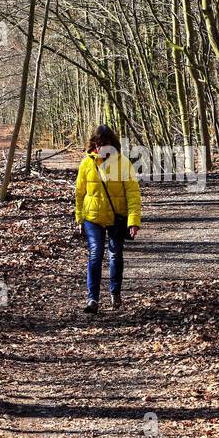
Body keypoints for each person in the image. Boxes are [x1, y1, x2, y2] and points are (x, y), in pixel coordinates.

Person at [74, 125, 141, 312]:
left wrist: (133, 221)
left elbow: (133, 193)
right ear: (94, 144)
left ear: (113, 144)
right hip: (92, 217)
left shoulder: (123, 163)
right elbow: (79, 193)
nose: (102, 147)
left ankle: (115, 293)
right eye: (99, 143)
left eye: (106, 143)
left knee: (115, 254)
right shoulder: (86, 164)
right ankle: (92, 299)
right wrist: (79, 218)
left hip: (116, 217)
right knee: (95, 255)